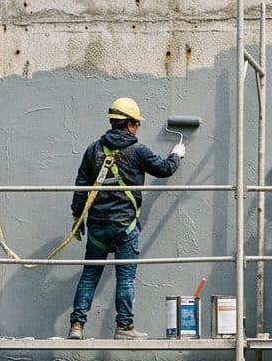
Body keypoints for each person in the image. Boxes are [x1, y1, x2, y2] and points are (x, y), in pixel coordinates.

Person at [67, 98, 184, 340]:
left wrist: (77, 216)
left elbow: (81, 185)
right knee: (126, 278)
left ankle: (76, 326)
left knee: (89, 276)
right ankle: (124, 327)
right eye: (137, 124)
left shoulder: (93, 149)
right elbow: (164, 169)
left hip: (97, 226)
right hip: (125, 227)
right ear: (130, 124)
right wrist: (176, 154)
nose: (137, 128)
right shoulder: (137, 151)